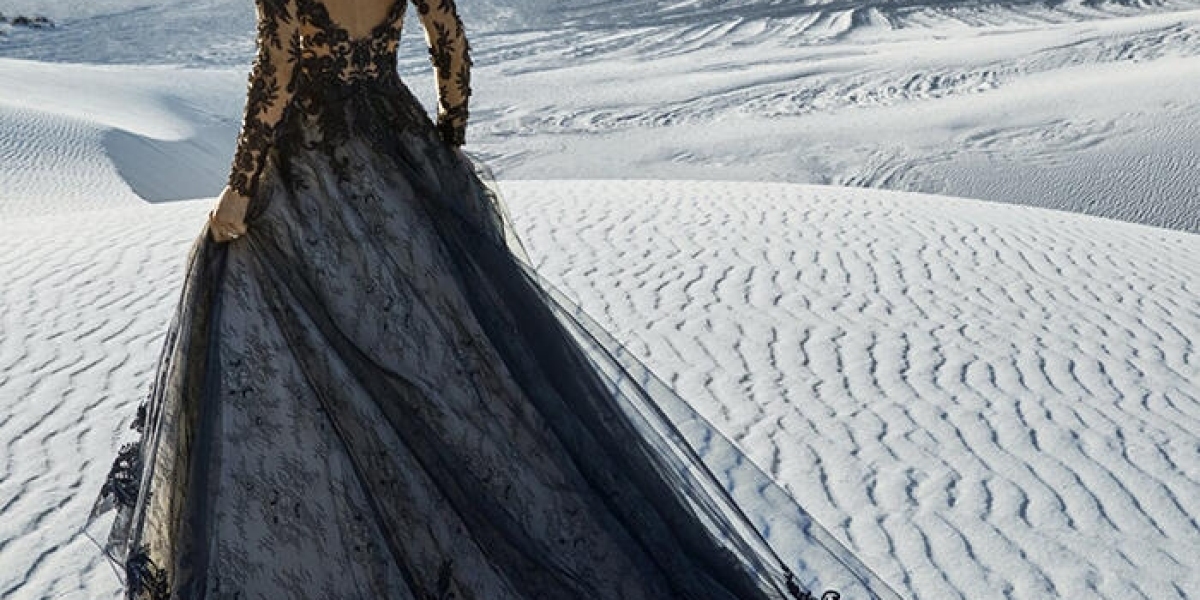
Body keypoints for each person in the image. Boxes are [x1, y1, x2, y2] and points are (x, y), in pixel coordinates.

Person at [87, 1, 894, 598]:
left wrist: (238, 193)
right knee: (455, 344)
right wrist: (448, 135)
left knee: (266, 311)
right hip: (399, 150)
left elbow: (275, 77)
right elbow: (451, 37)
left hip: (312, 166)